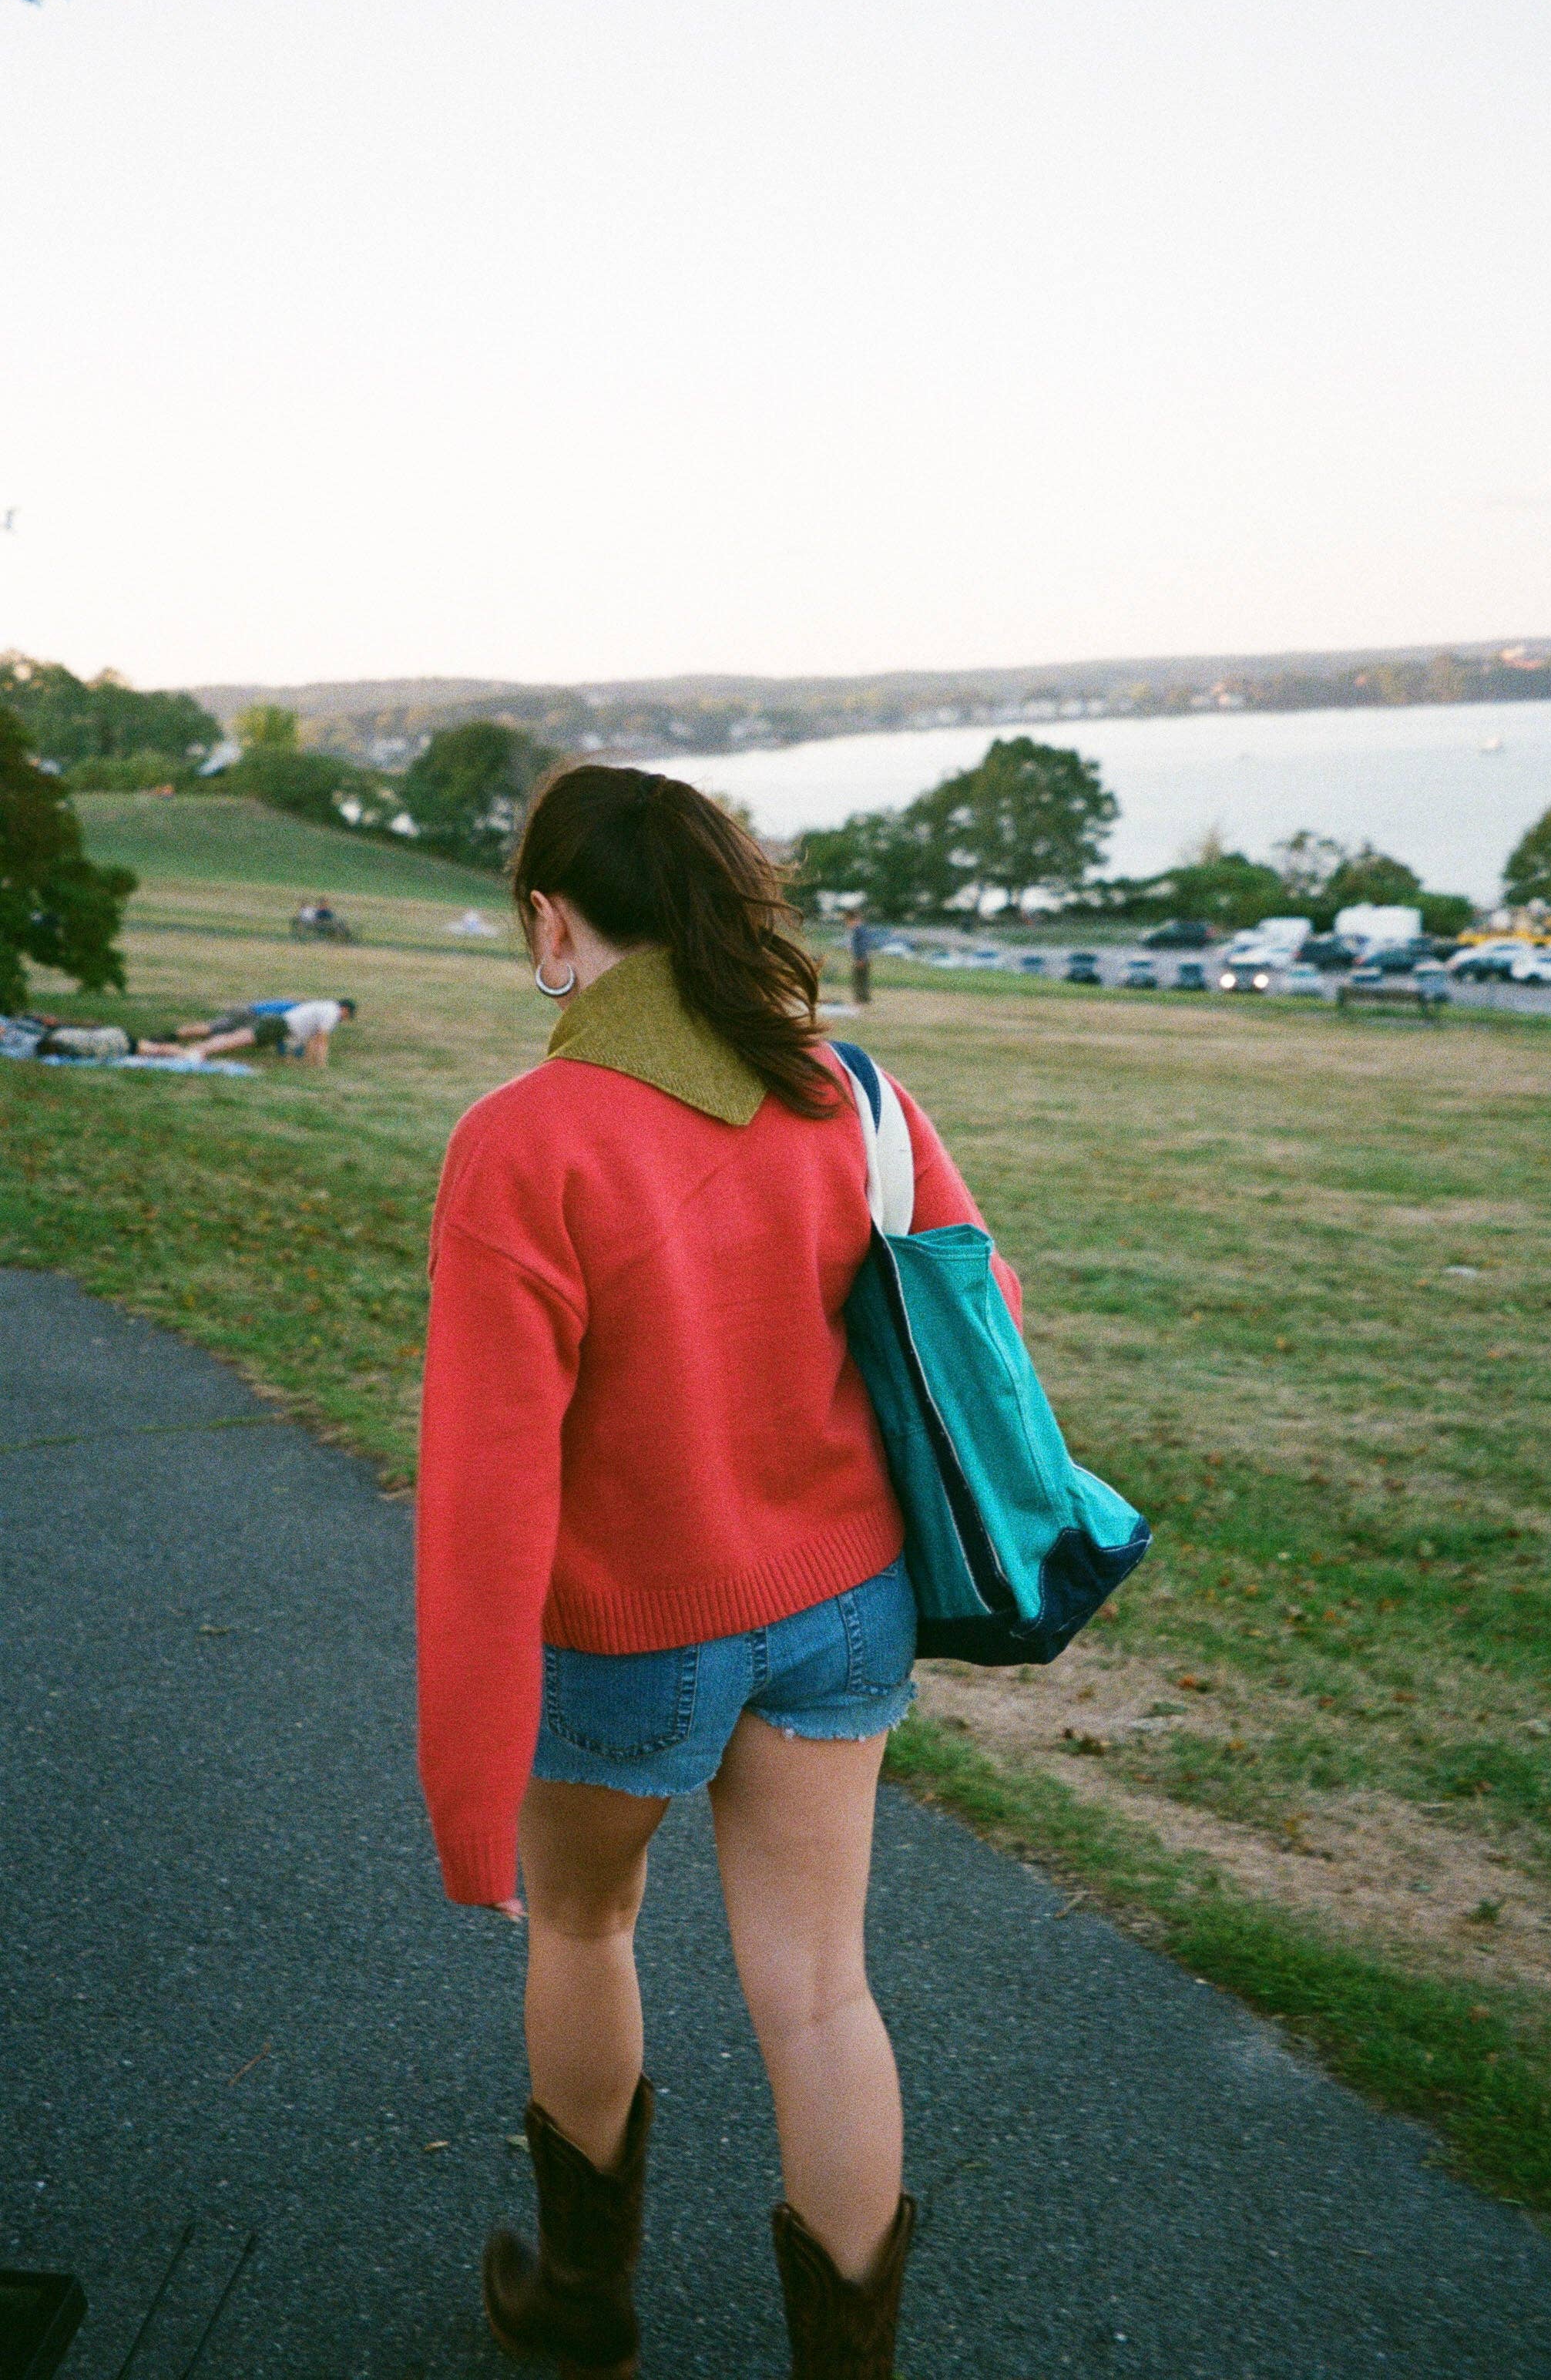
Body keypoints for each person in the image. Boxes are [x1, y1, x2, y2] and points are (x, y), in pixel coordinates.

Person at [416, 766, 1020, 2378]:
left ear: (551, 919)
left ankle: (581, 2306)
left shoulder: (523, 1138)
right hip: (844, 1603)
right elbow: (983, 1309)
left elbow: (486, 1494)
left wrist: (467, 1793)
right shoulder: (850, 1091)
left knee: (583, 1926)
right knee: (821, 1993)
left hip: (628, 1634)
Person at [135, 997, 354, 1064]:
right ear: (345, 1009)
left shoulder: (323, 1006)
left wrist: (304, 1060)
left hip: (274, 1024)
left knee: (228, 1038)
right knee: (230, 1040)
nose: (343, 1020)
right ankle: (190, 1051)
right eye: (347, 1016)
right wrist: (321, 1066)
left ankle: (185, 1048)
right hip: (271, 1023)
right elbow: (321, 1040)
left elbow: (313, 1040)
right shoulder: (332, 1012)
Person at [846, 908, 873, 1006]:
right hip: (862, 958)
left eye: (848, 922)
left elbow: (862, 945)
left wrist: (860, 958)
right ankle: (864, 999)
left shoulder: (859, 930)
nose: (847, 924)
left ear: (853, 920)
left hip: (861, 958)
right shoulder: (860, 929)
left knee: (859, 980)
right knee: (862, 979)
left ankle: (860, 1000)